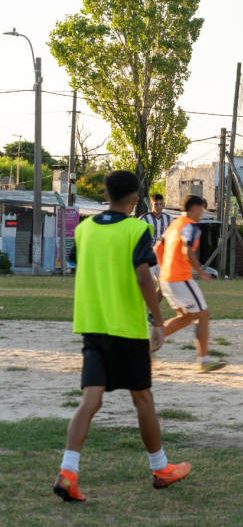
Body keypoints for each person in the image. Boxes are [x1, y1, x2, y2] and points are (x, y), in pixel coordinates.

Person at [54, 170, 190, 502]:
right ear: (135, 199)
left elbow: (77, 263)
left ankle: (68, 473)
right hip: (126, 329)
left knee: (90, 401)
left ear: (107, 194)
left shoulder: (84, 229)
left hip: (91, 325)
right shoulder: (137, 228)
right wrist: (158, 323)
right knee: (142, 397)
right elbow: (144, 277)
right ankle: (160, 469)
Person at [158, 195, 226, 372]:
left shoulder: (174, 223)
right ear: (194, 209)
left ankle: (149, 344)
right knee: (203, 316)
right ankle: (204, 361)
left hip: (167, 278)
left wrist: (162, 269)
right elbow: (187, 251)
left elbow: (158, 247)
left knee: (186, 317)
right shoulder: (191, 226)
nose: (202, 214)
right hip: (180, 278)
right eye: (202, 210)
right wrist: (201, 272)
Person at [139, 193, 174, 315]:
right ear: (151, 204)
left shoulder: (169, 219)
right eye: (156, 204)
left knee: (164, 286)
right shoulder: (144, 219)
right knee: (143, 286)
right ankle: (137, 310)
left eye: (161, 204)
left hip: (163, 258)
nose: (159, 206)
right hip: (147, 257)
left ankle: (151, 313)